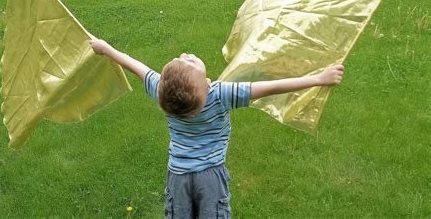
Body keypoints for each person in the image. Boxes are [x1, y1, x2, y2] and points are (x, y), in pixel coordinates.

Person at [90, 38, 344, 219]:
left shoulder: (162, 93)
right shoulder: (220, 94)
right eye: (187, 62)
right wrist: (318, 79)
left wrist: (106, 48)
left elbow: (135, 66)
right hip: (210, 177)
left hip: (177, 175)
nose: (185, 55)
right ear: (206, 83)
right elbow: (271, 87)